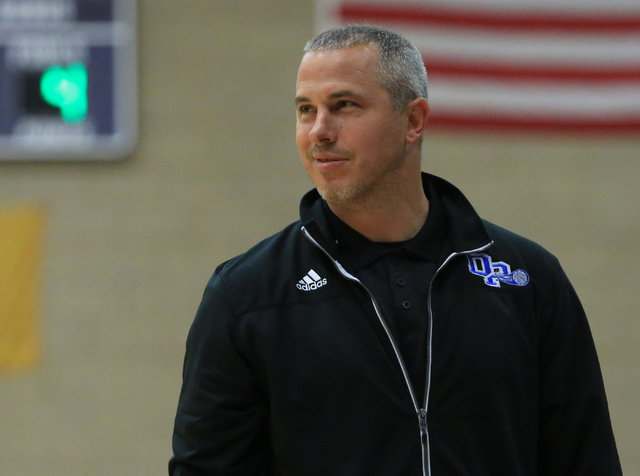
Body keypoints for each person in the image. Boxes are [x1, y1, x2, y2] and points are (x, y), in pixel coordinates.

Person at [169, 25, 622, 475]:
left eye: (344, 106)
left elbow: (585, 457)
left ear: (413, 121)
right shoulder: (246, 295)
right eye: (306, 110)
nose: (319, 131)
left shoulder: (528, 278)